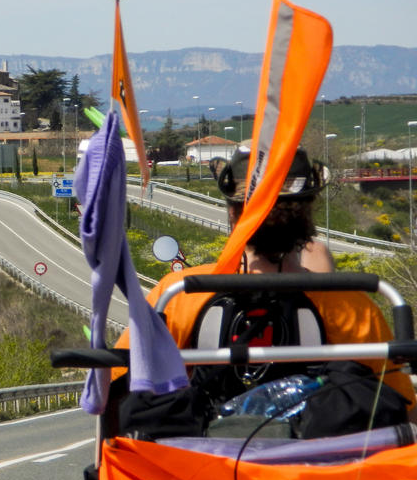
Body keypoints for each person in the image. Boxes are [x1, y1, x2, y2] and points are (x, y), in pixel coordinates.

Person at [115, 147, 416, 408]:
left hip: (200, 466)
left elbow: (117, 385)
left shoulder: (179, 294)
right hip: (321, 468)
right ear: (307, 214)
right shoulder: (351, 304)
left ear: (233, 214)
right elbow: (400, 404)